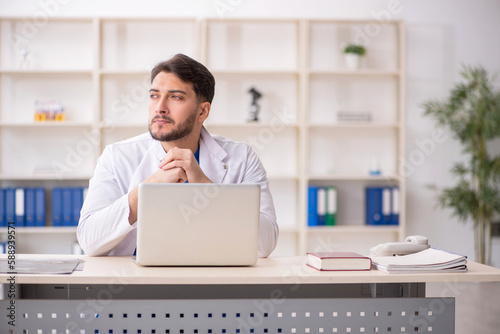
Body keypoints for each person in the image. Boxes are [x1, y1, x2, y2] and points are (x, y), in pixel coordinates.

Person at [77, 54, 278, 257]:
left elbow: (265, 244)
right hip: (135, 283)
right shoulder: (117, 156)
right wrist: (143, 194)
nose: (160, 108)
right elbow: (89, 242)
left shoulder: (242, 158)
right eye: (154, 95)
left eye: (176, 97)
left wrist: (207, 188)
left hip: (214, 279)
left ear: (202, 112)